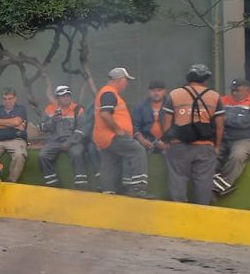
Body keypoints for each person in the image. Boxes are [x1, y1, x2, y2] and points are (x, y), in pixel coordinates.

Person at [161, 65, 225, 205]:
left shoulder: (175, 94)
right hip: (205, 146)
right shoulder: (214, 96)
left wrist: (167, 142)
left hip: (179, 145)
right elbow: (220, 125)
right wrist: (217, 146)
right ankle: (201, 212)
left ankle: (179, 211)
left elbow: (166, 121)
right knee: (203, 181)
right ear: (205, 78)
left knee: (178, 178)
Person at [93, 66, 149, 197]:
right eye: (126, 80)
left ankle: (109, 191)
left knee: (110, 162)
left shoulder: (105, 92)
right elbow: (106, 114)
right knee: (138, 151)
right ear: (119, 79)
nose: (127, 83)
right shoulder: (109, 93)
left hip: (103, 138)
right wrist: (118, 130)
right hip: (113, 135)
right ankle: (138, 188)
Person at [213, 78, 250, 197]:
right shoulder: (222, 100)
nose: (233, 93)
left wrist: (225, 120)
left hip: (247, 138)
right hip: (224, 138)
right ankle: (217, 184)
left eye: (237, 91)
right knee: (208, 155)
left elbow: (246, 123)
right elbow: (213, 117)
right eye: (232, 90)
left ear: (247, 90)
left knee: (237, 156)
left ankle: (218, 188)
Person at [38, 86, 89, 188]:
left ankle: (81, 185)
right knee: (42, 156)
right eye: (63, 96)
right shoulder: (50, 109)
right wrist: (52, 121)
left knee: (77, 153)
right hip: (54, 141)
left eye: (68, 95)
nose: (66, 98)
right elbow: (41, 127)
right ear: (57, 98)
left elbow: (82, 130)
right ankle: (53, 184)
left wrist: (69, 142)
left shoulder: (78, 109)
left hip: (73, 141)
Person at [0, 88, 28, 182]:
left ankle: (11, 181)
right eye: (5, 99)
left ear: (15, 99)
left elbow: (17, 121)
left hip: (16, 140)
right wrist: (13, 125)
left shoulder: (21, 108)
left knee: (19, 155)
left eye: (10, 98)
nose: (7, 101)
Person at [132, 81, 168, 155]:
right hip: (146, 142)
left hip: (167, 142)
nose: (156, 93)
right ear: (149, 92)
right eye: (153, 91)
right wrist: (142, 140)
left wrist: (168, 142)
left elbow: (177, 125)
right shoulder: (140, 107)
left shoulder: (171, 106)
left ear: (164, 92)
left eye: (159, 90)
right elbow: (135, 126)